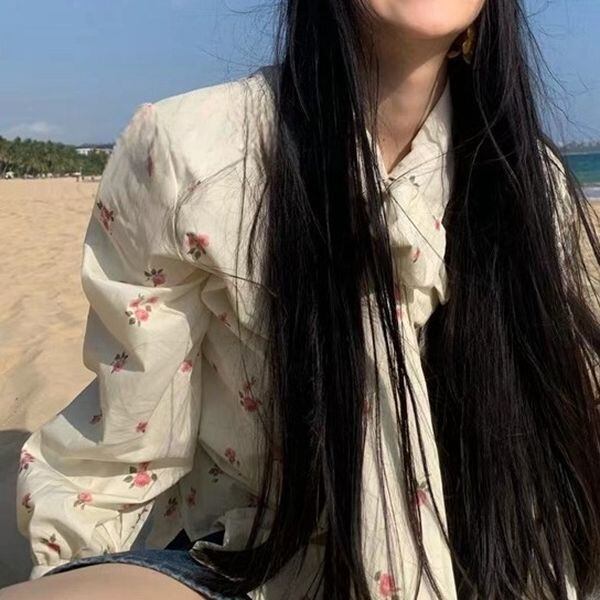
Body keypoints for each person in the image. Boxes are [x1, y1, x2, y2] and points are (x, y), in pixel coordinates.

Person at [4, 0, 600, 599]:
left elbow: (549, 450)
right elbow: (127, 448)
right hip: (250, 554)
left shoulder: (529, 184)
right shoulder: (196, 155)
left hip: (485, 559)